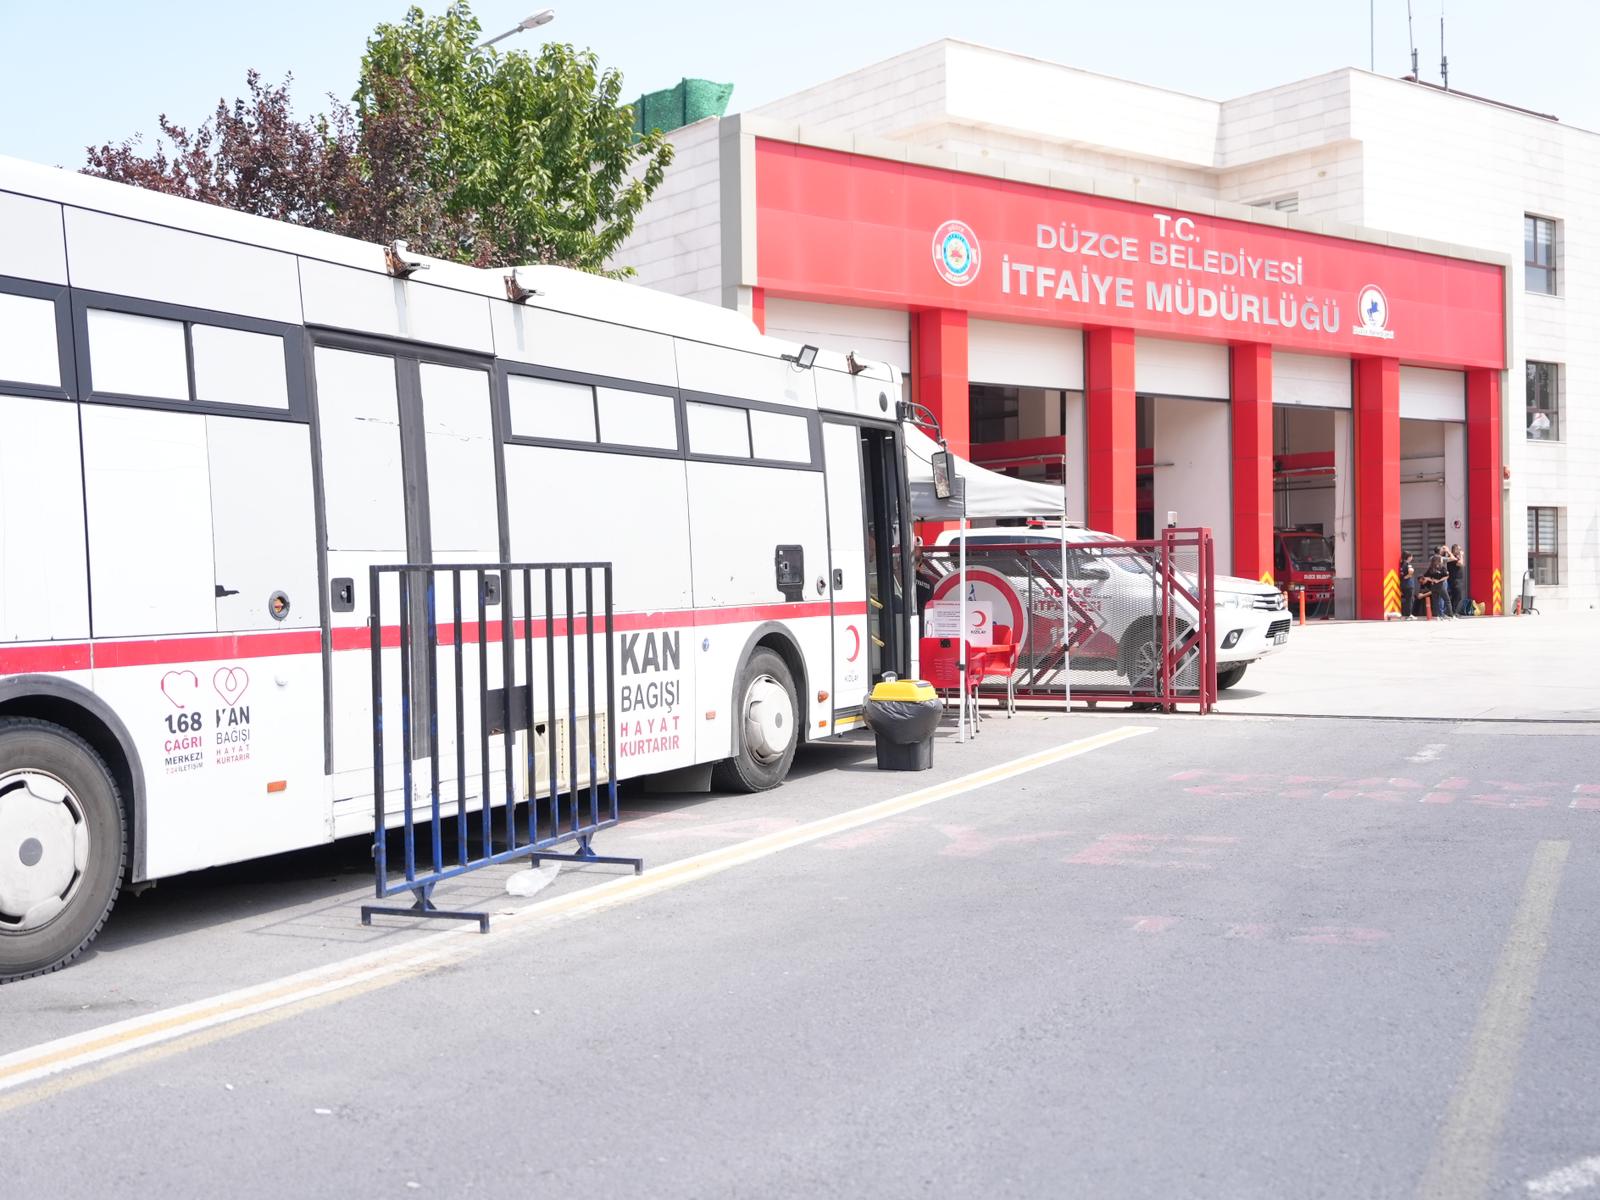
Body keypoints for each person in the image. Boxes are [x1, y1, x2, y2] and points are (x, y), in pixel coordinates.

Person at [1423, 548, 1450, 619]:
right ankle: (1444, 614)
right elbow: (1453, 559)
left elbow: (1425, 576)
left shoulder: (1432, 563)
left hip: (1434, 584)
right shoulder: (1441, 562)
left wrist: (1432, 580)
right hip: (1441, 583)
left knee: (1436, 600)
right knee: (1444, 599)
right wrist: (1448, 551)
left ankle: (1438, 615)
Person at [1450, 544, 1472, 616]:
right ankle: (1453, 612)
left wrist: (1460, 556)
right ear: (1455, 550)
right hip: (1455, 580)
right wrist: (1462, 555)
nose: (1460, 550)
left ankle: (1453, 611)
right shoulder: (1453, 558)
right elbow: (1461, 563)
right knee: (1457, 596)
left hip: (1458, 580)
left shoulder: (1456, 557)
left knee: (1457, 596)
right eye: (1459, 549)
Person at [1398, 552, 1417, 620]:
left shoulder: (1401, 564)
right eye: (1411, 556)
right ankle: (1409, 615)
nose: (1412, 558)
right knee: (1410, 600)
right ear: (1408, 557)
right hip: (1409, 585)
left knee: (1406, 600)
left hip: (1403, 585)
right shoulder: (1408, 564)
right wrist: (1409, 575)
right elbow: (1410, 570)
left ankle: (1406, 614)